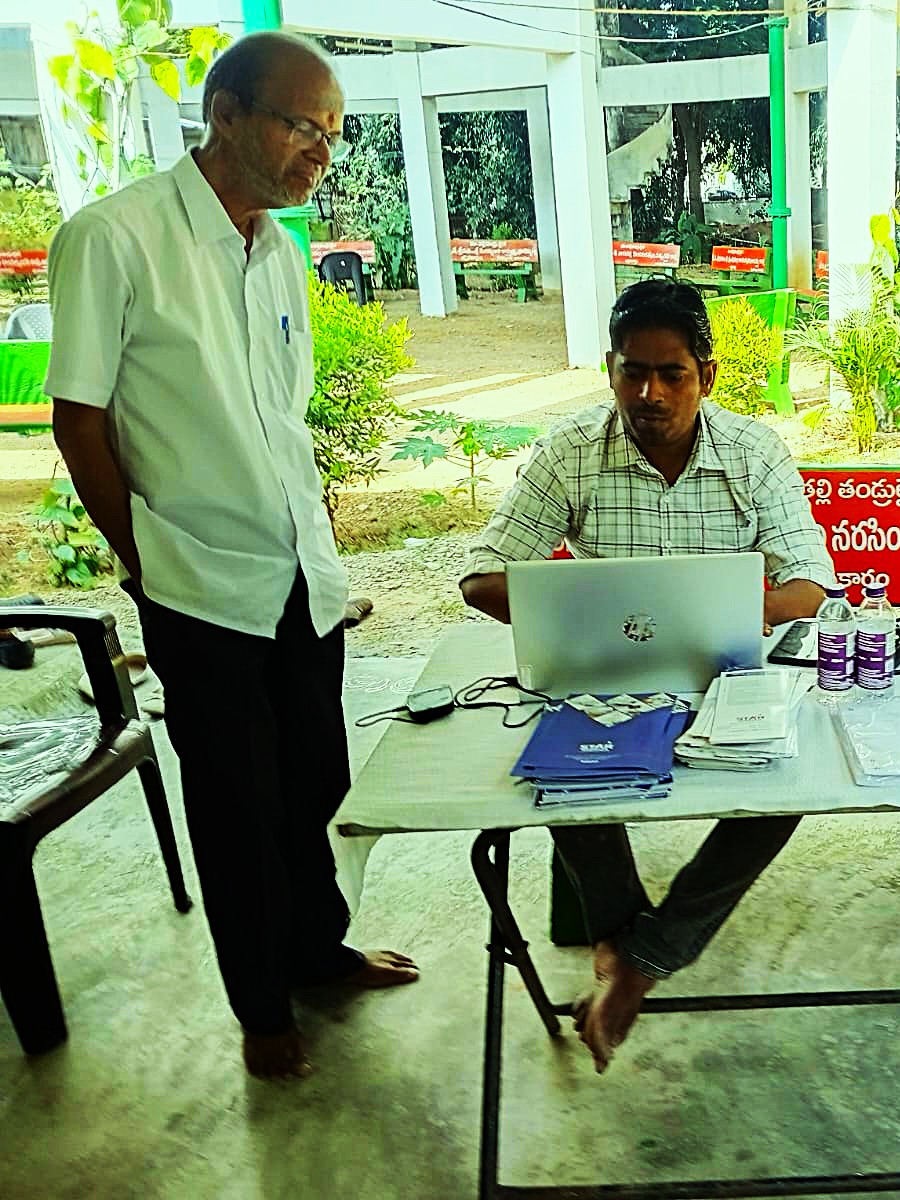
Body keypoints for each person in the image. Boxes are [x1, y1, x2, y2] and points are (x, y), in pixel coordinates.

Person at [46, 32, 418, 1082]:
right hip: (195, 581)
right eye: (304, 124)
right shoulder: (114, 238)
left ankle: (316, 951)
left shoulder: (281, 254)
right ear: (226, 113)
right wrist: (141, 562)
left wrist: (322, 551)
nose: (321, 153)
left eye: (333, 134)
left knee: (313, 786)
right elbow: (80, 420)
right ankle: (262, 1009)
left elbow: (278, 424)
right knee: (236, 807)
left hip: (300, 572)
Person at [461, 278, 835, 1072]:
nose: (649, 393)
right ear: (608, 368)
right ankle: (634, 947)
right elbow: (480, 579)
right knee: (558, 778)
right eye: (632, 371)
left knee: (787, 788)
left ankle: (635, 960)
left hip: (725, 680)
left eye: (672, 374)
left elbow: (810, 580)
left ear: (709, 374)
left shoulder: (754, 451)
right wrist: (565, 600)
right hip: (602, 680)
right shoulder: (571, 450)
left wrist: (739, 607)